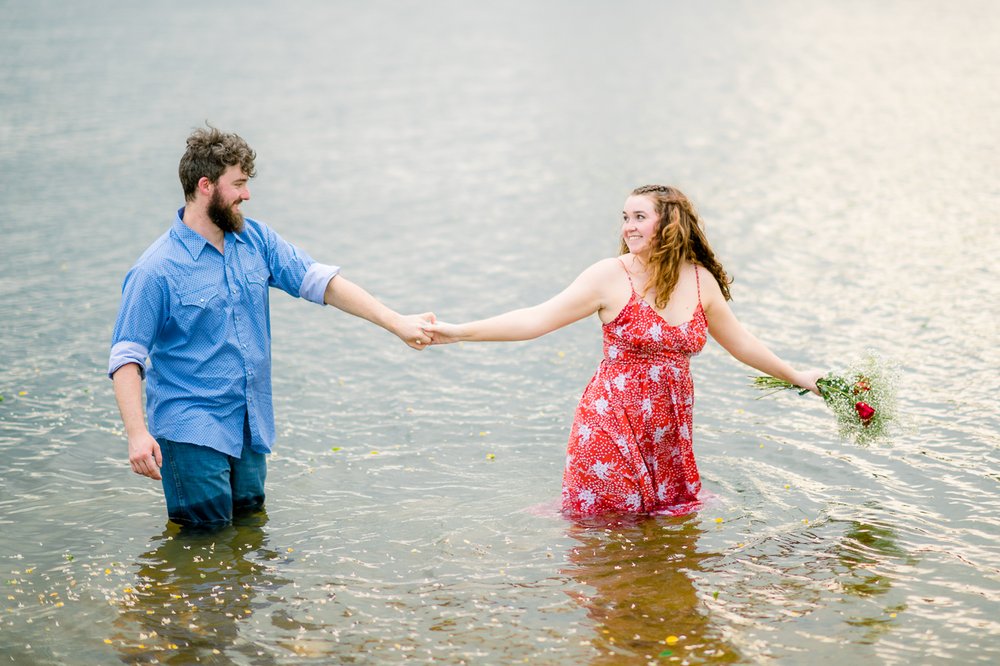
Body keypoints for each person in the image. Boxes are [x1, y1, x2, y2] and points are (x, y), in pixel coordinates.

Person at [426, 185, 824, 517]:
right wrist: (459, 332)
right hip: (611, 420)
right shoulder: (609, 276)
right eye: (625, 217)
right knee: (604, 522)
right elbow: (534, 320)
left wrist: (799, 377)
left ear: (669, 224)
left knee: (658, 530)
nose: (628, 227)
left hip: (668, 431)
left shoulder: (701, 281)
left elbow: (742, 343)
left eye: (639, 217)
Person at [109, 125, 435, 528]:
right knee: (204, 539)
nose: (247, 195)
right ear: (206, 185)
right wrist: (137, 433)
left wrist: (396, 322)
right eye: (239, 184)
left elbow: (320, 281)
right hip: (189, 426)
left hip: (249, 421)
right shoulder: (155, 269)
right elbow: (127, 356)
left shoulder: (256, 240)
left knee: (250, 529)